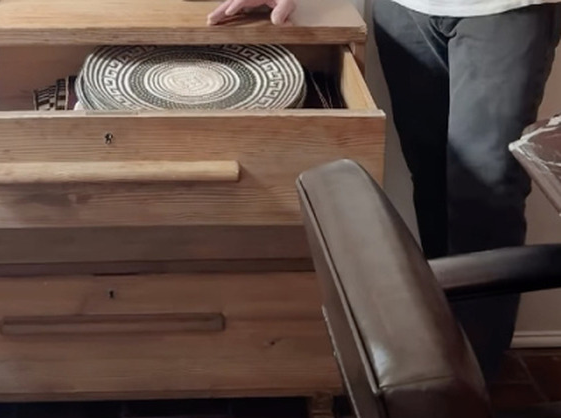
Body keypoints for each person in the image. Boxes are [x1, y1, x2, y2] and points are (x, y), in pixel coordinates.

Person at [208, 0, 561, 381]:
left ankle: (473, 387)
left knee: (484, 195)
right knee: (430, 183)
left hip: (504, 11)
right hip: (404, 9)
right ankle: (446, 363)